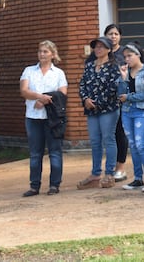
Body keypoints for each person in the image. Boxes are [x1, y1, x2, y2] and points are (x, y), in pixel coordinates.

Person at [77, 36, 127, 189]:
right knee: (95, 141)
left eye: (101, 46)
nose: (98, 49)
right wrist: (85, 99)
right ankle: (95, 173)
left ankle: (109, 174)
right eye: (96, 46)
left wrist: (97, 102)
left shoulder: (114, 66)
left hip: (109, 109)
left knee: (108, 139)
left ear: (108, 49)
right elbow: (83, 84)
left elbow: (113, 88)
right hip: (91, 110)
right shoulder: (90, 66)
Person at [19, 40, 68, 197]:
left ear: (52, 54)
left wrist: (44, 100)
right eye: (40, 51)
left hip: (52, 117)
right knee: (35, 153)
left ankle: (54, 184)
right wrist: (40, 96)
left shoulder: (58, 73)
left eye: (46, 52)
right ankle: (34, 186)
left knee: (54, 151)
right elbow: (24, 91)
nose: (42, 54)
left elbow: (62, 93)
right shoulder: (29, 71)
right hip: (33, 117)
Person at [119, 42, 144, 193]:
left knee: (141, 145)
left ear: (138, 55)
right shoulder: (125, 71)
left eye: (129, 56)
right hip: (127, 111)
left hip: (142, 111)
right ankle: (137, 178)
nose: (126, 59)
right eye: (125, 57)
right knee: (133, 145)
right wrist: (123, 79)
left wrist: (129, 96)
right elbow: (120, 94)